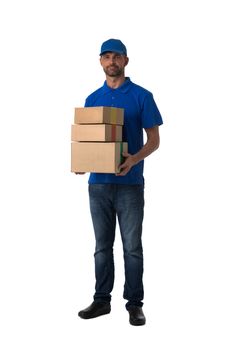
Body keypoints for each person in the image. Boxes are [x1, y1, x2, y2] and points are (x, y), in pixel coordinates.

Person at [77, 38, 163, 326]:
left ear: (126, 61)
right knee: (102, 246)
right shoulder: (92, 99)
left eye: (117, 56)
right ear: (101, 62)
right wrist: (83, 162)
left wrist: (134, 159)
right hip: (97, 185)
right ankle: (102, 300)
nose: (111, 61)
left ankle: (135, 304)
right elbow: (89, 141)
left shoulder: (142, 96)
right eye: (106, 56)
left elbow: (154, 140)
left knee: (131, 247)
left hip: (130, 184)